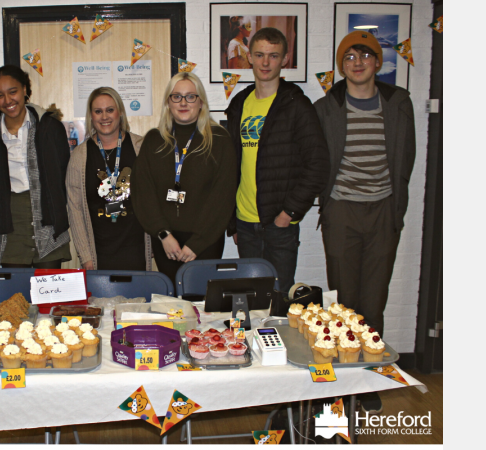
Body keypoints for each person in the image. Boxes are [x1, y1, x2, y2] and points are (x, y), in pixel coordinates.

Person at [314, 31, 416, 337]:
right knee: (345, 301)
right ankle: (347, 373)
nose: (358, 63)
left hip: (384, 211)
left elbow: (406, 159)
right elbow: (316, 161)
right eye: (349, 57)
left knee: (374, 300)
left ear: (378, 63)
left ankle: (370, 374)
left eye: (365, 55)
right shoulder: (326, 107)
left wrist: (396, 211)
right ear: (341, 65)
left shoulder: (399, 103)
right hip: (342, 211)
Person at [226, 27, 329, 296]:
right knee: (248, 298)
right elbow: (229, 166)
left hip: (279, 224)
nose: (265, 62)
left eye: (273, 56)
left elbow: (317, 164)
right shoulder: (239, 104)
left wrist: (289, 213)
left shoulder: (296, 104)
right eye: (259, 55)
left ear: (284, 59)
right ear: (249, 57)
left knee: (279, 298)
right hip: (245, 223)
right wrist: (232, 222)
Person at [133, 72, 236, 285]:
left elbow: (223, 198)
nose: (183, 103)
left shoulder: (219, 139)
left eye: (190, 96)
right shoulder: (153, 140)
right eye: (176, 96)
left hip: (206, 242)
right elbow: (143, 193)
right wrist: (163, 235)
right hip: (166, 243)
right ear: (168, 102)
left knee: (204, 308)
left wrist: (198, 243)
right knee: (173, 307)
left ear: (201, 102)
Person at [0, 65, 71, 268]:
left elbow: (63, 174)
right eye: (0, 95)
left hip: (47, 218)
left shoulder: (50, 128)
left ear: (25, 89)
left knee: (50, 294)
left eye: (13, 92)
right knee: (15, 295)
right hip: (8, 222)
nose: (8, 101)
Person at [66, 87, 152, 271]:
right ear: (91, 116)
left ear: (120, 112)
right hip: (99, 253)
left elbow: (155, 197)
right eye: (98, 111)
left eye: (110, 110)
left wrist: (155, 243)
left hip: (137, 249)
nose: (104, 116)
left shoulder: (141, 147)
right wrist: (86, 257)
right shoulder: (79, 156)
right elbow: (75, 210)